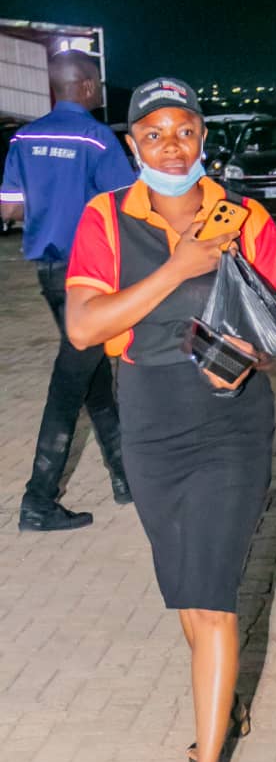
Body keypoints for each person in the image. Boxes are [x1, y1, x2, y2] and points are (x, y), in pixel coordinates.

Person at [64, 77, 276, 762]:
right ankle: (223, 700)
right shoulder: (105, 217)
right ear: (133, 142)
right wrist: (179, 267)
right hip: (149, 415)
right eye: (154, 133)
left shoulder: (245, 217)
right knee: (186, 592)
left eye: (184, 131)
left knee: (213, 590)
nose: (171, 146)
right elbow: (85, 327)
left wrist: (246, 356)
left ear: (202, 137)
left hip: (231, 416)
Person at [0, 51, 134, 532]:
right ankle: (38, 500)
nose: (99, 92)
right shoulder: (97, 139)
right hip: (90, 275)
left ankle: (126, 477)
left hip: (49, 272)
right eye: (97, 85)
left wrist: (47, 199)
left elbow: (10, 209)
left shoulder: (24, 138)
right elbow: (127, 206)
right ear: (85, 86)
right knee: (69, 383)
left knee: (92, 374)